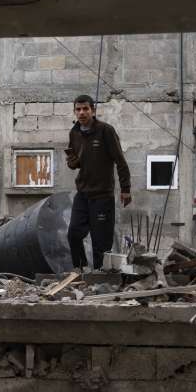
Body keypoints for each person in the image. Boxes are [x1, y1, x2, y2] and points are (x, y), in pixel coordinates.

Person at [64, 94, 131, 272]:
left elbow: (120, 161)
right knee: (74, 234)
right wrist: (72, 162)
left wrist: (126, 189)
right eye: (78, 109)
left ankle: (101, 277)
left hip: (102, 195)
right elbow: (76, 161)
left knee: (100, 242)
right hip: (83, 194)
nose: (82, 112)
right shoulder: (74, 133)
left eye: (85, 109)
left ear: (93, 110)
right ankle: (80, 270)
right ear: (74, 112)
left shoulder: (105, 131)